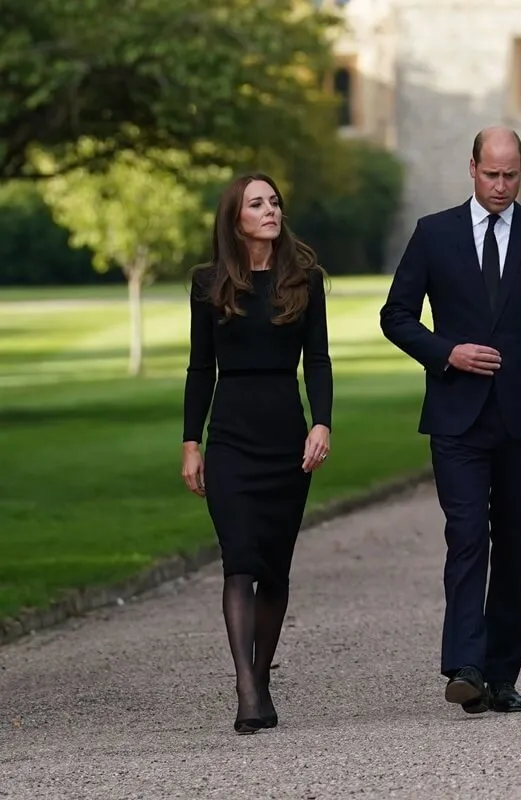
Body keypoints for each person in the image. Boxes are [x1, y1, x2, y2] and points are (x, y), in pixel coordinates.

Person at [380, 127, 521, 714]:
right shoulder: (434, 233)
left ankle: (501, 675)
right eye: (491, 174)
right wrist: (447, 353)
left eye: (511, 175)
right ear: (471, 168)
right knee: (467, 536)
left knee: (514, 547)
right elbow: (396, 316)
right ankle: (465, 664)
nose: (500, 186)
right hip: (457, 416)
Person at [181, 173, 333, 733]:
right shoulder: (208, 283)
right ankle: (247, 690)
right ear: (235, 218)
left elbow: (317, 360)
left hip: (285, 439)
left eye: (274, 201)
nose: (270, 210)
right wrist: (190, 441)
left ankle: (261, 676)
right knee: (239, 560)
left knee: (274, 567)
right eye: (256, 203)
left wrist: (322, 423)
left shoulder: (305, 280)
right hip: (230, 439)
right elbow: (200, 368)